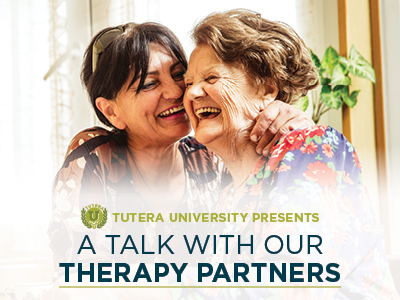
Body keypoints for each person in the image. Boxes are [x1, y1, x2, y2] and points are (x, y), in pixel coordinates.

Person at [47, 21, 314, 296]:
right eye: (149, 83)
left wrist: (291, 124)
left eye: (179, 75)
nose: (177, 92)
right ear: (111, 112)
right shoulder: (95, 157)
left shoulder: (208, 157)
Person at [184, 9, 399, 299]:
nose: (193, 93)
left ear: (267, 89)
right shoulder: (225, 196)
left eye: (211, 78)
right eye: (187, 83)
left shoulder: (314, 149)